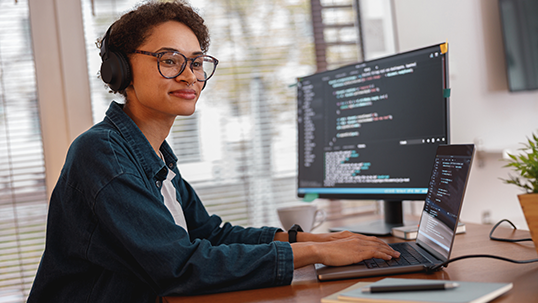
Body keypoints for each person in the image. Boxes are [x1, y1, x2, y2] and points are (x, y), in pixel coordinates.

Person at [27, 1, 399, 302]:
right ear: (120, 69)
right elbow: (180, 265)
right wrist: (316, 255)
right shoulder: (103, 154)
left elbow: (211, 236)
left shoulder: (155, 156)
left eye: (197, 62)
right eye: (170, 60)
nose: (190, 75)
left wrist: (315, 240)